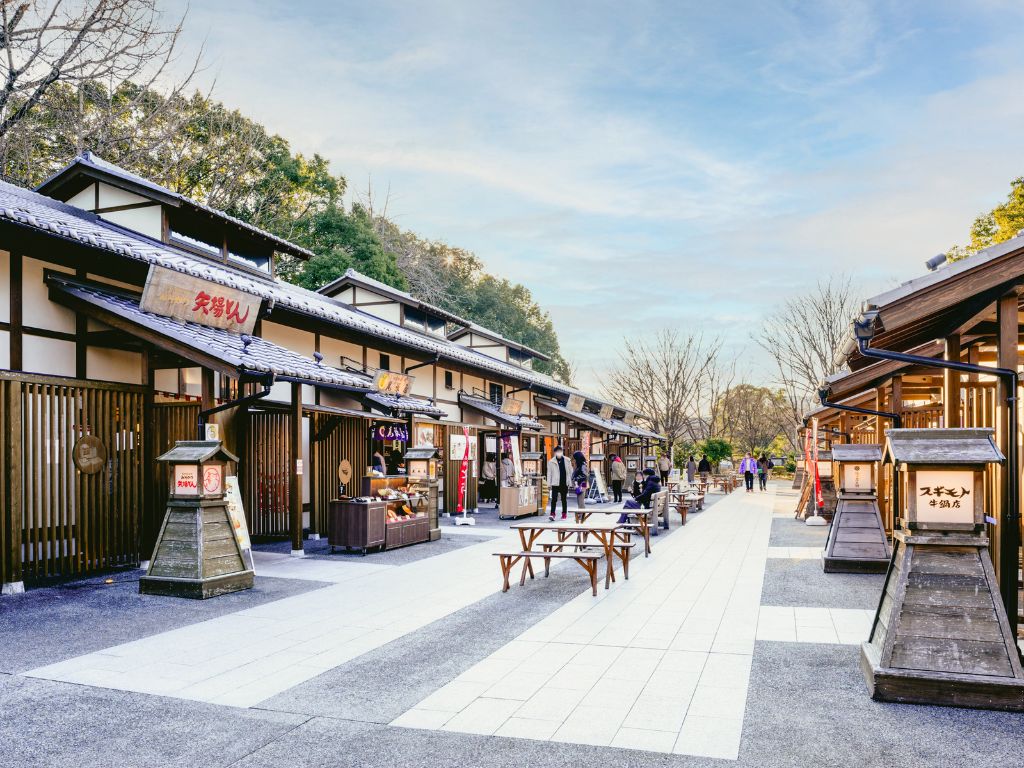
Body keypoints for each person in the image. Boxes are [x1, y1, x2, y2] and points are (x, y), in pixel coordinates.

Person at [546, 445, 570, 520]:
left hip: (564, 482)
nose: (559, 453)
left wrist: (570, 482)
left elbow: (570, 471)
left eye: (560, 451)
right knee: (554, 499)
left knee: (564, 499)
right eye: (557, 452)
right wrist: (548, 484)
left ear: (562, 452)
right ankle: (552, 514)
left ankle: (564, 514)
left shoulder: (567, 460)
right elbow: (549, 473)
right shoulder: (551, 462)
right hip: (555, 482)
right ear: (555, 453)